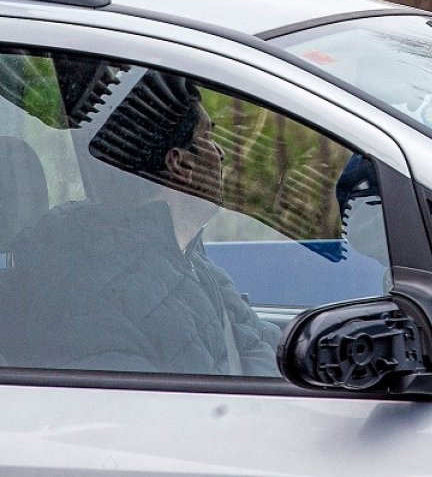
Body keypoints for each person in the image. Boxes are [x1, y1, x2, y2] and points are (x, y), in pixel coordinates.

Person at [13, 71, 281, 376]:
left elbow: (261, 344)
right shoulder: (95, 298)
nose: (221, 154)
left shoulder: (191, 262)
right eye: (208, 137)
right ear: (180, 164)